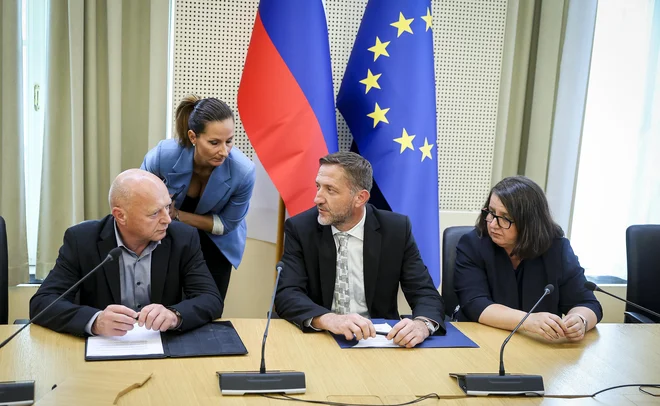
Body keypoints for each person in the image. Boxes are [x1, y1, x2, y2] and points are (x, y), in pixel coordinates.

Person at [274, 152, 446, 348]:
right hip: (320, 339)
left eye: (330, 190)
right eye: (318, 186)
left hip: (379, 341)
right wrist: (329, 319)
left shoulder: (395, 230)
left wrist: (422, 325)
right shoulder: (301, 228)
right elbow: (287, 293)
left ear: (360, 198)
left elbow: (425, 292)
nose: (317, 199)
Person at [29, 169, 223, 337]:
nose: (167, 220)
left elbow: (211, 299)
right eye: (155, 213)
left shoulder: (183, 238)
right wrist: (95, 321)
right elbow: (42, 303)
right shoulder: (82, 240)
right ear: (120, 215)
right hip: (103, 349)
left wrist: (174, 315)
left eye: (167, 207)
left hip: (163, 346)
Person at [454, 176, 602, 342]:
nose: (493, 224)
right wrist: (528, 320)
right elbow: (475, 304)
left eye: (505, 217)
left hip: (539, 347)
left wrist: (580, 320)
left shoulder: (556, 248)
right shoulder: (473, 244)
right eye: (491, 212)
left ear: (529, 223)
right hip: (483, 341)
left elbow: (588, 303)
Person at [141, 95, 255, 300]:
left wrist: (177, 215)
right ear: (193, 137)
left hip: (216, 244)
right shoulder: (163, 156)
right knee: (163, 305)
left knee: (208, 307)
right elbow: (139, 197)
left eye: (229, 141)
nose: (224, 152)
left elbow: (225, 225)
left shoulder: (244, 172)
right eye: (214, 142)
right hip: (166, 235)